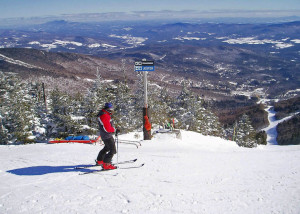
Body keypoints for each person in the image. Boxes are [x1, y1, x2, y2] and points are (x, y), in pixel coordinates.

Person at [96, 102, 119, 170]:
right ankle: (106, 164)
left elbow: (107, 125)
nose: (112, 111)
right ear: (108, 109)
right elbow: (107, 128)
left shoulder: (104, 114)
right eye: (111, 109)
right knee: (113, 150)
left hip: (105, 135)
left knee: (107, 148)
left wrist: (113, 128)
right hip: (107, 135)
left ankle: (100, 160)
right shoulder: (104, 115)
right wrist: (114, 129)